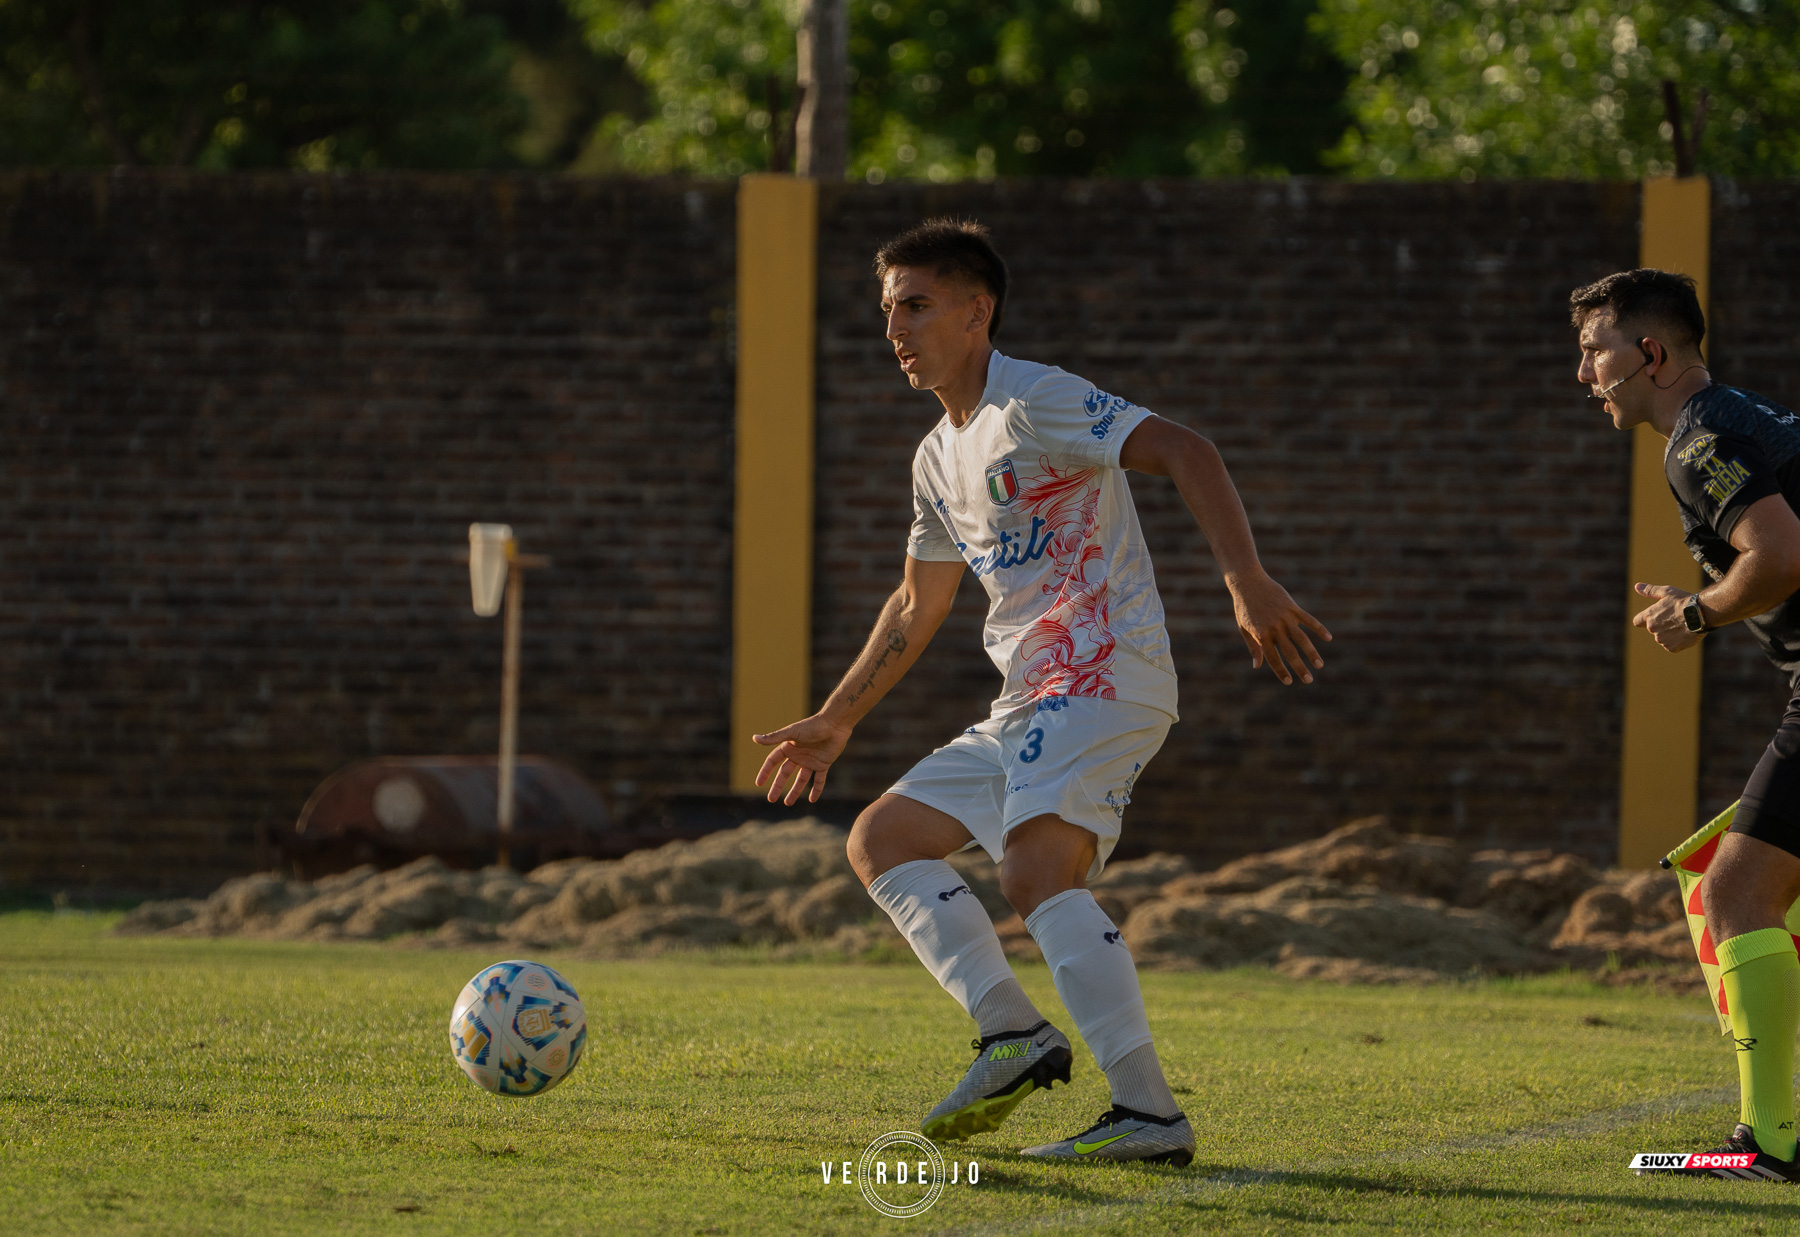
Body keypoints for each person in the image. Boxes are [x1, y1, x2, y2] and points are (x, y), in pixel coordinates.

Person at [753, 218, 1330, 1164]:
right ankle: (1011, 1035)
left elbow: (1189, 448)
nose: (895, 328)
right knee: (884, 838)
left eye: (917, 305)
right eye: (888, 309)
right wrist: (835, 718)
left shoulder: (1037, 399)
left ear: (978, 312)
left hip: (1107, 672)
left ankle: (1148, 1115)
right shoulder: (937, 455)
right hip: (1031, 698)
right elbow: (916, 598)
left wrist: (1246, 580)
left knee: (1033, 874)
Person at [1575, 267, 1800, 1181]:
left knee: (1735, 893)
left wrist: (1698, 615)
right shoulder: (1746, 417)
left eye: (1596, 351)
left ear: (1651, 354)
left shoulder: (1698, 438)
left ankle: (1772, 1144)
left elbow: (1781, 554)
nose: (1584, 372)